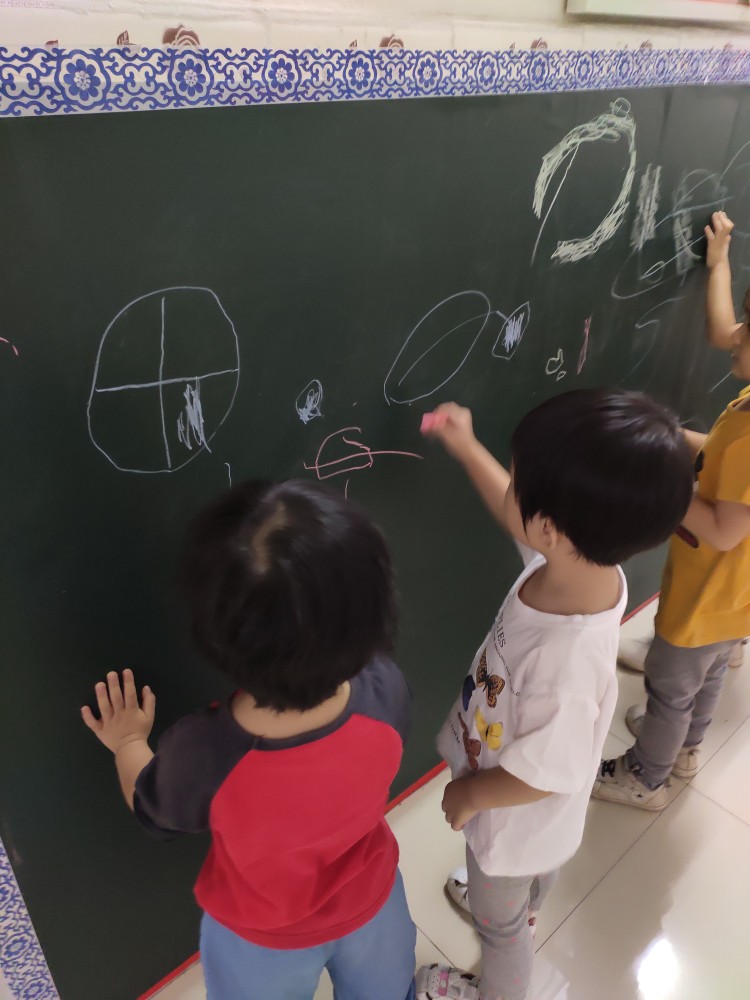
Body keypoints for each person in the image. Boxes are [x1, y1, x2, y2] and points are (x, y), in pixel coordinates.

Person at [81, 479, 416, 1000]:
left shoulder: (205, 754)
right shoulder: (385, 691)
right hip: (372, 903)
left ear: (216, 638)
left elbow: (152, 806)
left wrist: (127, 742)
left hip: (262, 940)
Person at [415, 390, 694, 1000]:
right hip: (538, 826)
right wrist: (467, 447)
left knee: (501, 929)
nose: (511, 490)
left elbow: (547, 773)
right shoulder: (583, 568)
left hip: (510, 821)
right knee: (527, 886)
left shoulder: (564, 660)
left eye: (519, 482)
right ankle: (525, 903)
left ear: (549, 527)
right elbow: (518, 516)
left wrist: (469, 795)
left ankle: (499, 988)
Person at [592, 211, 750, 810]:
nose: (737, 335)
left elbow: (726, 529)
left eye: (749, 331)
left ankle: (646, 776)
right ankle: (684, 749)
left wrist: (661, 480)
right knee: (705, 674)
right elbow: (724, 465)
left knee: (671, 685)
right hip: (727, 599)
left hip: (713, 587)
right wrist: (667, 434)